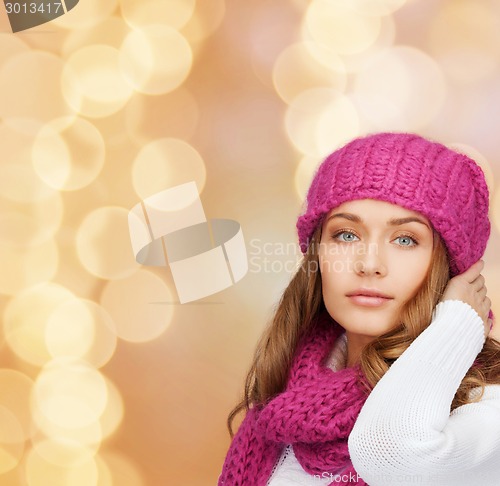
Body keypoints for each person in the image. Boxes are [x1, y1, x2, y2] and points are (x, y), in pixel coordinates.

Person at [218, 132, 500, 485]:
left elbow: (394, 456)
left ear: (453, 269)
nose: (369, 264)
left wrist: (456, 325)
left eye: (405, 239)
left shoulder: (487, 411)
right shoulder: (281, 408)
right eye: (346, 235)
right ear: (317, 253)